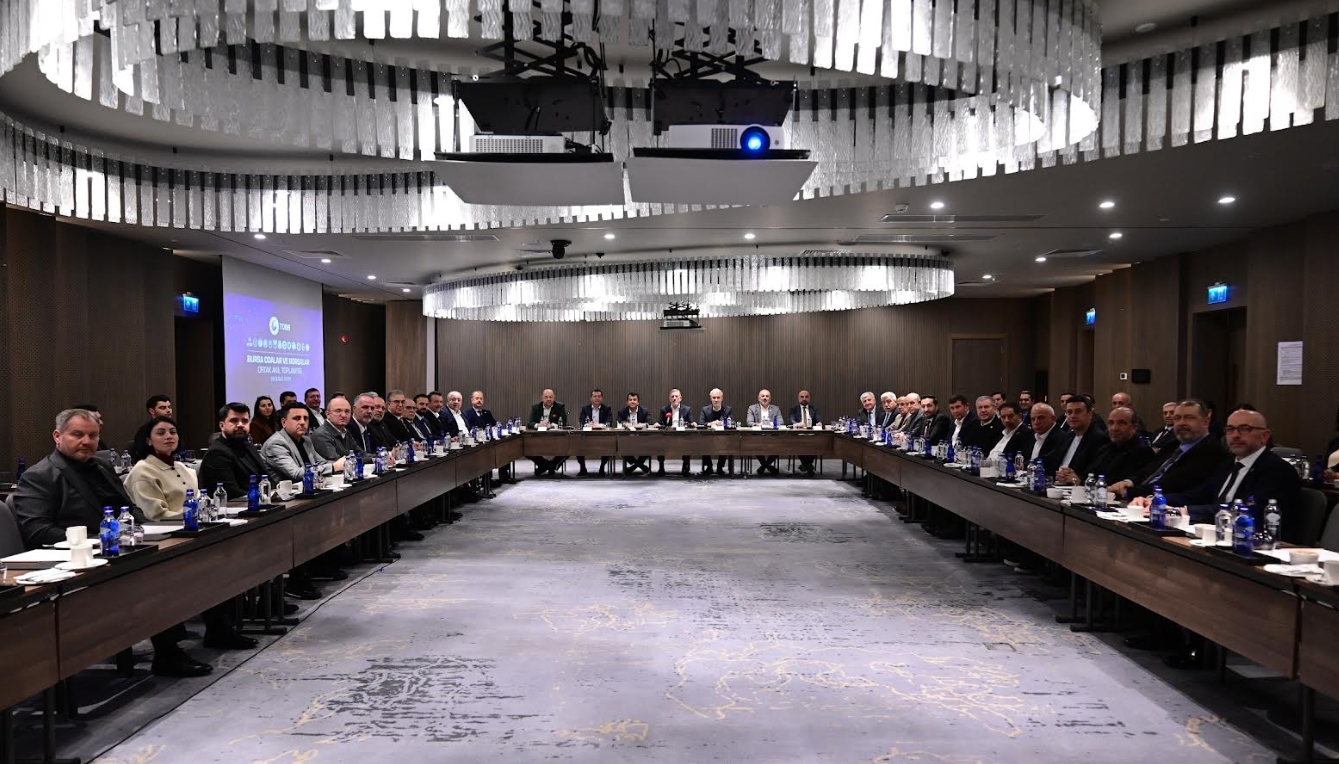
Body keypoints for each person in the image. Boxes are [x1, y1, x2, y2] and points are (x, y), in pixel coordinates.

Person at [12, 409, 215, 676]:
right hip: (79, 561)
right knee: (152, 577)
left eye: (92, 436)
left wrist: (147, 529)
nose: (86, 441)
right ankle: (168, 653)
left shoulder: (101, 466)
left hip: (120, 550)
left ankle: (181, 645)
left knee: (170, 563)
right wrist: (98, 540)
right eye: (77, 435)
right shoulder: (40, 476)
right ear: (57, 436)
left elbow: (129, 507)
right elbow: (37, 531)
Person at [1130, 409, 1302, 535]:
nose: (1235, 435)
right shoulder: (1228, 464)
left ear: (1265, 436)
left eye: (1244, 429)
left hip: (1259, 546)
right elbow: (1198, 495)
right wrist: (1156, 500)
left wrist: (1184, 511)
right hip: (1219, 535)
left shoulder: (1277, 471)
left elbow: (1246, 513)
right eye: (1230, 430)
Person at [1110, 400, 1230, 500]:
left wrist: (1126, 492)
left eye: (1189, 418)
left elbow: (1172, 484)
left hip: (1166, 506)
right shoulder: (1173, 444)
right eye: (1177, 418)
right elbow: (1149, 469)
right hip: (1139, 498)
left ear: (1205, 422)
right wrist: (1128, 482)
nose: (1182, 423)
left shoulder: (1211, 451)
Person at [124, 417, 197, 521]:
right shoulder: (142, 471)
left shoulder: (181, 467)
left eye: (173, 432)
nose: (169, 436)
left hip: (196, 523)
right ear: (148, 441)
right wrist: (192, 519)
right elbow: (157, 515)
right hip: (170, 528)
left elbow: (199, 499)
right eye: (161, 433)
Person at [200, 402, 276, 499]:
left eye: (245, 421)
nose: (240, 425)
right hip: (237, 506)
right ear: (222, 426)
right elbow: (231, 493)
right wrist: (263, 497)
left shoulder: (249, 446)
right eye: (234, 420)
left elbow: (268, 480)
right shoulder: (216, 453)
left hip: (262, 501)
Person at [261, 403, 347, 483]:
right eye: (297, 418)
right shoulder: (275, 444)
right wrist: (334, 467)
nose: (302, 422)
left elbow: (321, 463)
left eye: (305, 418)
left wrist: (345, 462)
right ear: (284, 422)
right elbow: (296, 474)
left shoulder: (306, 440)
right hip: (284, 492)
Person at [1073, 407, 1159, 486]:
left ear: (1134, 427)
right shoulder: (1105, 449)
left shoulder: (1143, 452)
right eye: (1111, 423)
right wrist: (1075, 478)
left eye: (1121, 423)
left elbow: (1117, 483)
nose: (1114, 428)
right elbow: (1089, 474)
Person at [1053, 397, 1106, 484]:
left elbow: (1097, 473)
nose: (1073, 416)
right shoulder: (1067, 437)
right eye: (1069, 412)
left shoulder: (1099, 439)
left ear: (1090, 414)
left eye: (1078, 412)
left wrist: (1079, 480)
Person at [463, 391, 509, 481]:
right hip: (477, 444)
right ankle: (486, 480)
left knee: (504, 449)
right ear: (472, 400)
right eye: (477, 398)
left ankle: (504, 476)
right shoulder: (467, 413)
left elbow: (495, 424)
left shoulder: (487, 413)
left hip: (490, 441)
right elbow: (469, 429)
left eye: (481, 398)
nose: (479, 400)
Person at [1019, 403, 1073, 476]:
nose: (1036, 422)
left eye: (1041, 418)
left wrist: (1024, 466)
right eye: (1033, 419)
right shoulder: (1032, 436)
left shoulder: (1061, 437)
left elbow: (1048, 463)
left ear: (1053, 418)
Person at [527, 389, 568, 476]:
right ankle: (547, 466)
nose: (548, 399)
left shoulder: (560, 407)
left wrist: (552, 425)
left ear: (554, 398)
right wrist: (538, 425)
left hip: (556, 437)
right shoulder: (535, 407)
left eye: (550, 397)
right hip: (539, 437)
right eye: (546, 397)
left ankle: (548, 466)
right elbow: (530, 423)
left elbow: (564, 423)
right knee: (526, 447)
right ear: (542, 398)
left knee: (569, 447)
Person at [575, 388, 614, 477]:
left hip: (602, 436)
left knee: (609, 444)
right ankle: (582, 468)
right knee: (577, 444)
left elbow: (609, 422)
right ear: (591, 398)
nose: (597, 398)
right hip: (587, 436)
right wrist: (588, 424)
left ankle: (602, 467)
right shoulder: (585, 409)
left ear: (602, 398)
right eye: (595, 396)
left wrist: (599, 425)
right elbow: (581, 421)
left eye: (599, 396)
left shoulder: (607, 409)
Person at [657, 389, 694, 477]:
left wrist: (693, 423)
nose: (674, 398)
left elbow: (691, 422)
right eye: (672, 396)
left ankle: (685, 467)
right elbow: (660, 423)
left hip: (682, 435)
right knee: (659, 442)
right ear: (669, 398)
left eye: (676, 396)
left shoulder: (687, 409)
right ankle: (661, 467)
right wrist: (657, 424)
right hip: (667, 436)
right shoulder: (664, 409)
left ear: (680, 398)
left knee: (687, 443)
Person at [312, 395, 362, 460]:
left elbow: (360, 453)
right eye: (338, 411)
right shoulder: (321, 435)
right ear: (327, 414)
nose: (343, 415)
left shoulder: (345, 431)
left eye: (347, 411)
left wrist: (374, 458)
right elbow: (337, 461)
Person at [746, 389, 782, 475]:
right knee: (754, 444)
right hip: (757, 436)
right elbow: (749, 422)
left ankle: (764, 466)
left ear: (770, 399)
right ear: (759, 398)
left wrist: (771, 424)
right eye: (762, 396)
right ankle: (768, 466)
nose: (765, 398)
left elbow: (781, 422)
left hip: (772, 436)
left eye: (767, 396)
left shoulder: (776, 409)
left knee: (780, 444)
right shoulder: (752, 408)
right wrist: (759, 424)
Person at [700, 388, 733, 475]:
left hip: (723, 437)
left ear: (722, 398)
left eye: (718, 397)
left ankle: (720, 467)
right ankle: (709, 466)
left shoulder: (728, 410)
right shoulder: (705, 410)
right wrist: (712, 423)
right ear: (710, 398)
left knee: (726, 442)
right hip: (708, 437)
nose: (716, 400)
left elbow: (732, 422)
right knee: (702, 442)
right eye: (714, 398)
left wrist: (723, 423)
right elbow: (701, 423)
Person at [619, 392, 653, 474]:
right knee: (620, 445)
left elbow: (649, 423)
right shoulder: (622, 411)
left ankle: (633, 467)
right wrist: (624, 424)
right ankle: (641, 466)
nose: (632, 401)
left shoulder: (645, 411)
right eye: (630, 400)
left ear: (638, 402)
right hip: (627, 438)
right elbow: (619, 421)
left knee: (649, 445)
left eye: (634, 400)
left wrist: (643, 424)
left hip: (642, 438)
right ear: (627, 402)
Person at [790, 390, 822, 476]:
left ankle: (805, 465)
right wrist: (797, 424)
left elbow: (818, 419)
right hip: (799, 435)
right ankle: (809, 465)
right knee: (799, 444)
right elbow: (791, 420)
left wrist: (819, 423)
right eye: (802, 397)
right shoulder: (794, 409)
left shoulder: (814, 409)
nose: (804, 399)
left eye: (806, 397)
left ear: (809, 398)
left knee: (815, 443)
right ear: (798, 398)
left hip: (812, 435)